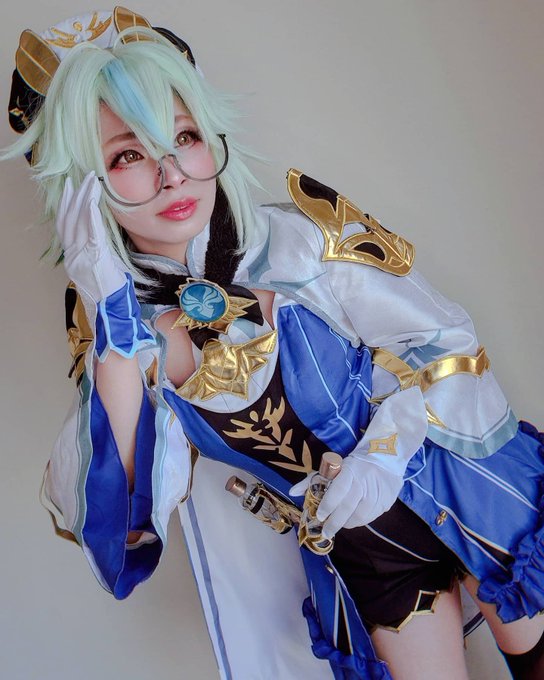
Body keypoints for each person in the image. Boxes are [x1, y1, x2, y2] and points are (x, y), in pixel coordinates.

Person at [3, 7, 544, 679]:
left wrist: (384, 452)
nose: (172, 174)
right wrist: (111, 321)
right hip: (365, 555)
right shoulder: (127, 343)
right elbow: (116, 522)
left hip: (462, 475)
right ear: (82, 187)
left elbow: (446, 344)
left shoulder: (299, 241)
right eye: (128, 156)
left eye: (184, 136)